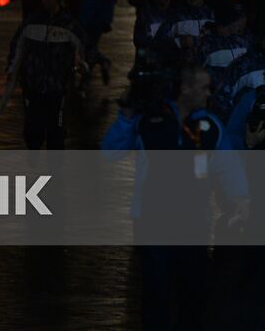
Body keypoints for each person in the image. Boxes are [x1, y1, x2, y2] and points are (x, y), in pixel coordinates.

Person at [102, 65, 247, 331]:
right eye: (204, 88)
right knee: (156, 296)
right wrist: (125, 117)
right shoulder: (147, 120)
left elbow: (228, 167)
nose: (209, 94)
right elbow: (110, 153)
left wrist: (240, 202)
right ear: (185, 89)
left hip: (194, 225)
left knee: (192, 298)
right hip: (151, 222)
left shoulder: (211, 126)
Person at [3, 0, 86, 149]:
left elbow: (84, 45)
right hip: (33, 83)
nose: (43, 0)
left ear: (56, 0)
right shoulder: (33, 20)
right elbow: (17, 44)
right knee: (33, 126)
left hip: (57, 85)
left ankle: (54, 166)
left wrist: (85, 64)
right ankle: (34, 148)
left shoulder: (68, 24)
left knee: (56, 127)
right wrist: (12, 70)